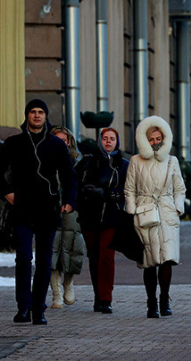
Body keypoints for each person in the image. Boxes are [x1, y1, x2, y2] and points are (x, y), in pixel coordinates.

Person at [0, 99, 77, 325]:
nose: (36, 115)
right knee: (23, 257)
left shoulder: (56, 144)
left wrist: (70, 200)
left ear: (45, 116)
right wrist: (7, 192)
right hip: (22, 207)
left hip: (47, 207)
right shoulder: (13, 143)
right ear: (27, 115)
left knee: (44, 261)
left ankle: (38, 308)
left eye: (40, 112)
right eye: (33, 112)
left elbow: (69, 174)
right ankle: (23, 307)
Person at [124, 116, 186, 318]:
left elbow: (180, 188)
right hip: (145, 213)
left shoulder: (172, 161)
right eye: (151, 138)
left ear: (165, 138)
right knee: (149, 261)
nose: (155, 142)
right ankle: (151, 302)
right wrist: (132, 209)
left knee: (167, 259)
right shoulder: (135, 161)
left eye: (159, 137)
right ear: (144, 139)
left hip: (167, 212)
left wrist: (178, 207)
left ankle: (165, 299)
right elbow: (129, 189)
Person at [76, 127, 129, 314]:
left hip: (112, 217)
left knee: (107, 257)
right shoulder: (88, 162)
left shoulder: (123, 164)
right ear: (100, 141)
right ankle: (98, 297)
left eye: (112, 139)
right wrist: (84, 194)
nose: (108, 142)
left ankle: (106, 298)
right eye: (105, 138)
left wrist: (106, 194)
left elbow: (127, 191)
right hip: (89, 217)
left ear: (117, 142)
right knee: (94, 257)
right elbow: (74, 184)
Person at [49, 126, 86, 309]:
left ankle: (68, 283)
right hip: (50, 209)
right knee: (52, 249)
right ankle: (56, 293)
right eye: (57, 140)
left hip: (72, 210)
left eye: (64, 140)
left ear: (69, 141)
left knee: (72, 248)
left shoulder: (78, 161)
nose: (61, 144)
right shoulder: (44, 159)